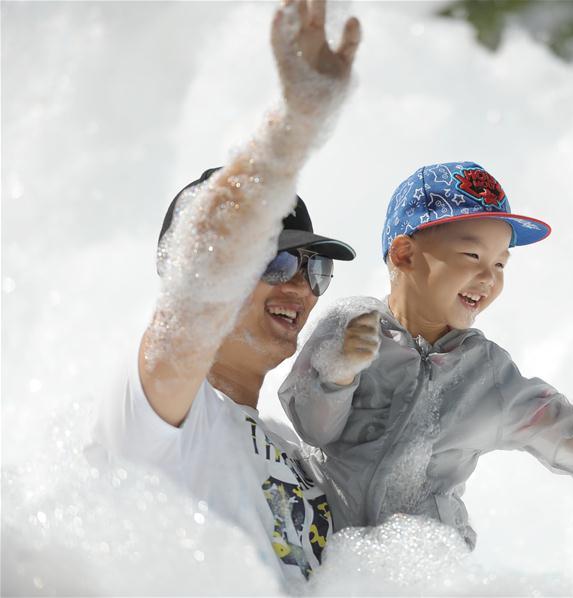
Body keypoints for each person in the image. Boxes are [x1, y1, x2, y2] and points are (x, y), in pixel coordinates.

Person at [278, 161, 573, 549]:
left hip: (425, 564)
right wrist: (339, 375)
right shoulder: (353, 325)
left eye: (501, 264)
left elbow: (563, 428)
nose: (488, 278)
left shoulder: (486, 373)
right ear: (405, 254)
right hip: (328, 549)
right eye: (472, 256)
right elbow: (313, 429)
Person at [93, 0, 361, 588]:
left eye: (315, 269)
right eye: (275, 259)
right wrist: (295, 127)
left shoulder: (297, 450)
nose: (298, 285)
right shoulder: (158, 414)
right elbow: (197, 291)